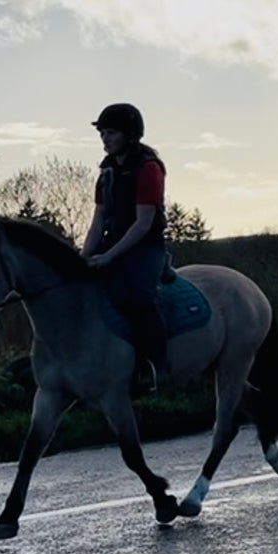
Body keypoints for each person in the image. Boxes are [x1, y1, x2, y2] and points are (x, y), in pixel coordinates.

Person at [81, 103, 170, 392]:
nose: (104, 139)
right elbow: (97, 225)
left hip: (145, 246)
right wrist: (82, 259)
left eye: (111, 133)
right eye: (102, 133)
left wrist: (108, 256)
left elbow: (143, 224)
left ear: (129, 134)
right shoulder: (105, 173)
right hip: (114, 243)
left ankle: (153, 365)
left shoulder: (148, 169)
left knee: (139, 297)